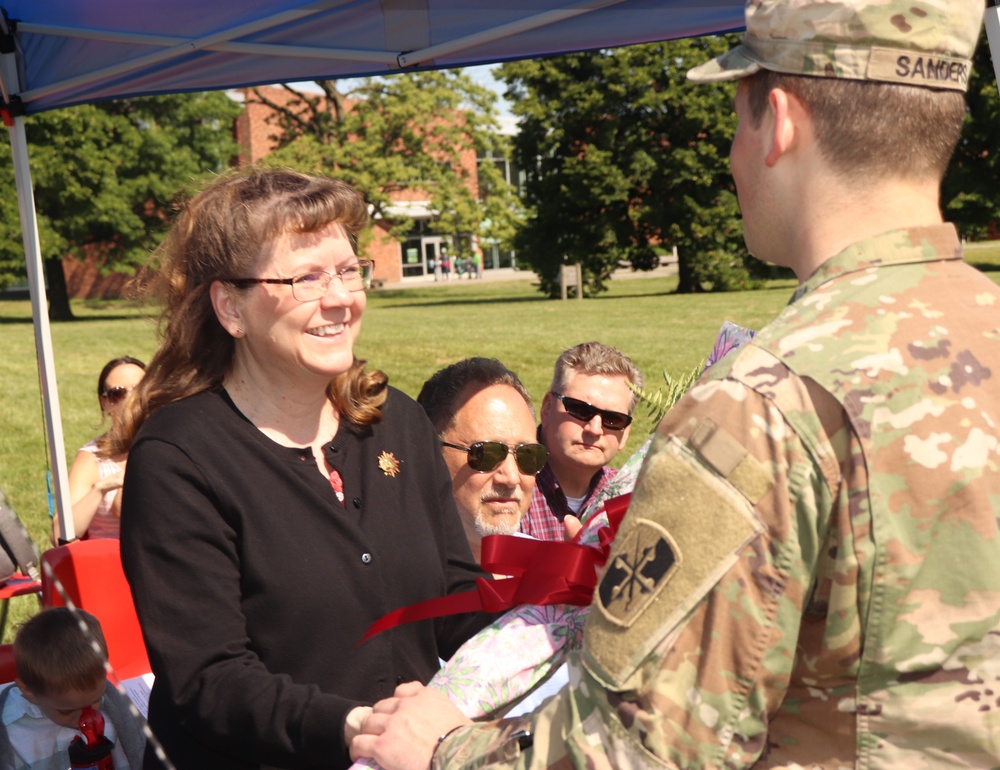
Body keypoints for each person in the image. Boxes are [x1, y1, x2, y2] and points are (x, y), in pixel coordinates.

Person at [351, 1, 1000, 767]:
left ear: (780, 122)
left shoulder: (759, 404)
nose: (731, 153)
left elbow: (648, 744)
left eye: (737, 121)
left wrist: (441, 750)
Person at [113, 166, 491, 770]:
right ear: (231, 308)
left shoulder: (397, 422)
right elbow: (208, 681)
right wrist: (355, 726)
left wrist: (555, 607)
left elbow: (449, 597)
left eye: (347, 270)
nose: (340, 298)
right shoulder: (180, 459)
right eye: (306, 278)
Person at [417, 358, 546, 565]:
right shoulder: (394, 581)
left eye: (528, 455)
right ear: (430, 454)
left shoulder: (551, 569)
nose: (511, 478)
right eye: (487, 454)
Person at [519, 341, 643, 541]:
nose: (594, 429)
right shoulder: (506, 483)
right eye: (580, 410)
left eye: (613, 419)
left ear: (625, 433)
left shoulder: (630, 500)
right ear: (547, 408)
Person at [0, 607, 146, 770]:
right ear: (29, 692)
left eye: (95, 700)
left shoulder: (117, 713)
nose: (85, 719)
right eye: (67, 711)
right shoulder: (11, 732)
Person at [53, 356, 146, 544]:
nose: (131, 399)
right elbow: (58, 535)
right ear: (104, 402)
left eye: (141, 389)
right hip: (109, 566)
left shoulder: (172, 443)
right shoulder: (92, 458)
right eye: (118, 393)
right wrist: (100, 489)